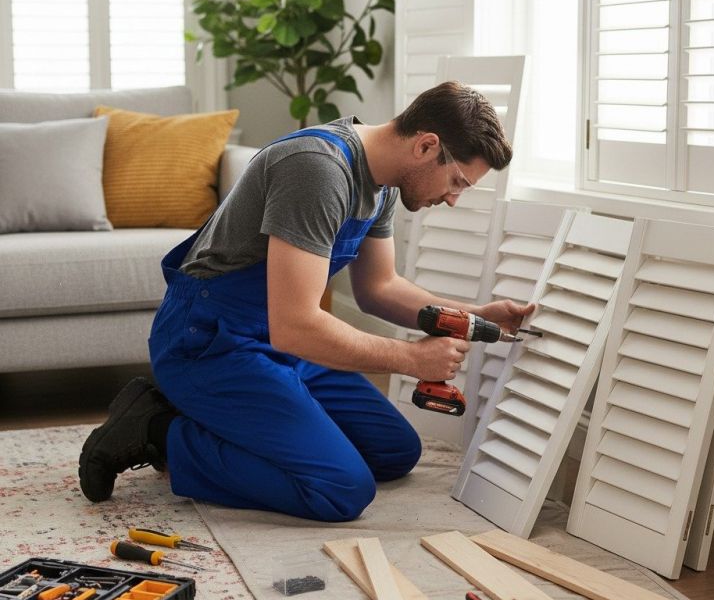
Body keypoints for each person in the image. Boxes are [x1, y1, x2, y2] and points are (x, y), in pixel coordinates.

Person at [78, 81, 534, 521]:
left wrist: (475, 316)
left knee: (394, 451)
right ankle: (155, 429)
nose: (453, 198)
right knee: (341, 489)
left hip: (278, 341)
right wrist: (412, 359)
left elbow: (379, 288)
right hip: (210, 342)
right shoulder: (318, 169)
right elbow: (296, 325)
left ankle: (223, 414)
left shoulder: (383, 184)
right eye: (457, 181)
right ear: (426, 146)